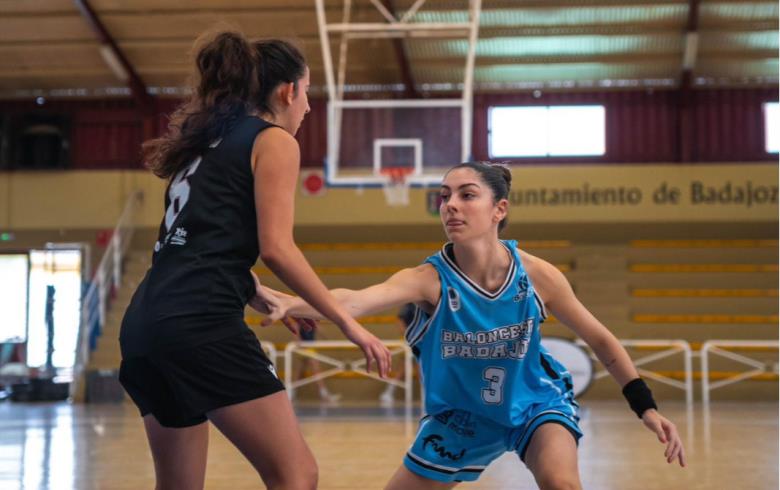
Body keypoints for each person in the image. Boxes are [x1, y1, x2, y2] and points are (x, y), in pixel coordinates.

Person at [257, 161, 686, 489]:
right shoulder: (428, 279)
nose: (451, 206)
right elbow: (354, 300)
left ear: (500, 208)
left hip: (535, 405)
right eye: (445, 197)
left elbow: (602, 341)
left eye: (466, 195)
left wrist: (645, 407)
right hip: (461, 418)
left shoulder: (538, 276)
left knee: (562, 484)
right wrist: (289, 302)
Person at [117, 30, 391, 490]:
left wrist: (251, 289)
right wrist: (348, 321)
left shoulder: (204, 146)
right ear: (288, 91)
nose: (307, 106)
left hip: (145, 326)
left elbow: (194, 242)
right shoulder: (274, 141)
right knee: (296, 474)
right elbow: (277, 249)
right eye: (307, 93)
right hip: (201, 325)